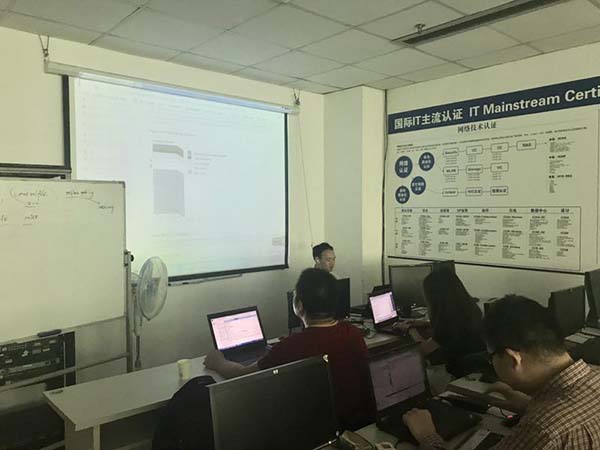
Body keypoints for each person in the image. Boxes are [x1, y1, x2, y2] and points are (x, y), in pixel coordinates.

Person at [403, 295, 600, 449]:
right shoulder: (594, 379)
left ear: (513, 358)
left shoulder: (542, 429)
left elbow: (549, 425)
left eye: (491, 357)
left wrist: (426, 435)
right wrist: (528, 405)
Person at [204, 268, 372, 430]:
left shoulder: (291, 347)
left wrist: (219, 362)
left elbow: (244, 375)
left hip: (316, 429)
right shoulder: (352, 333)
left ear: (299, 305)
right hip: (355, 423)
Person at [398, 269, 485, 377]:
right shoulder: (471, 309)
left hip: (456, 374)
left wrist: (410, 329)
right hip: (476, 370)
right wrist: (425, 323)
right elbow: (455, 325)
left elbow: (424, 350)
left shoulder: (447, 324)